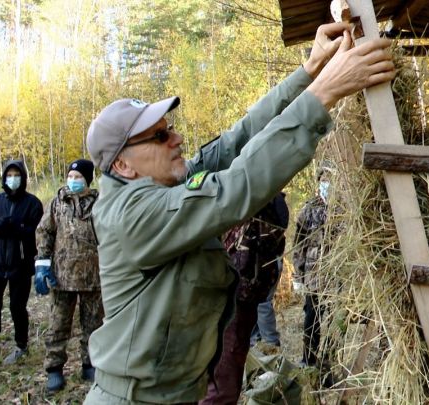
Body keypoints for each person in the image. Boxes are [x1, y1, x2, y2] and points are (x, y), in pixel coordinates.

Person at [83, 22, 395, 404]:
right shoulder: (130, 214)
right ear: (124, 167)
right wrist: (325, 91)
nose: (177, 139)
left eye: (171, 129)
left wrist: (310, 71)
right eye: (161, 136)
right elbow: (235, 189)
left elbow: (239, 138)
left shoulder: (164, 186)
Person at [200, 193, 289, 405]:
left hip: (241, 297)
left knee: (226, 375)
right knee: (222, 378)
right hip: (233, 297)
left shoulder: (268, 200)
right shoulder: (248, 194)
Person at [35, 159, 103, 391]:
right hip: (61, 277)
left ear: (87, 179)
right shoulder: (57, 203)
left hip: (93, 276)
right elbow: (44, 232)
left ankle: (89, 364)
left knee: (93, 324)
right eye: (70, 176)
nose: (73, 181)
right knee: (58, 324)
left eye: (78, 177)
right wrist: (42, 264)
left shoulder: (100, 203)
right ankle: (54, 369)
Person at [0, 160, 43, 364]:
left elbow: (37, 231)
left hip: (21, 263)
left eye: (17, 174)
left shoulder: (32, 202)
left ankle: (21, 345)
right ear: (4, 177)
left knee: (17, 306)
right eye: (9, 175)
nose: (13, 178)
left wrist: (19, 227)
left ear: (23, 177)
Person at [293, 165, 334, 367]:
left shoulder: (343, 208)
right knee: (312, 317)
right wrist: (298, 277)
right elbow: (299, 245)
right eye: (324, 178)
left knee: (336, 320)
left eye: (330, 178)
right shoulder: (309, 209)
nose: (327, 182)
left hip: (337, 276)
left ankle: (330, 362)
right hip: (314, 275)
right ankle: (307, 359)